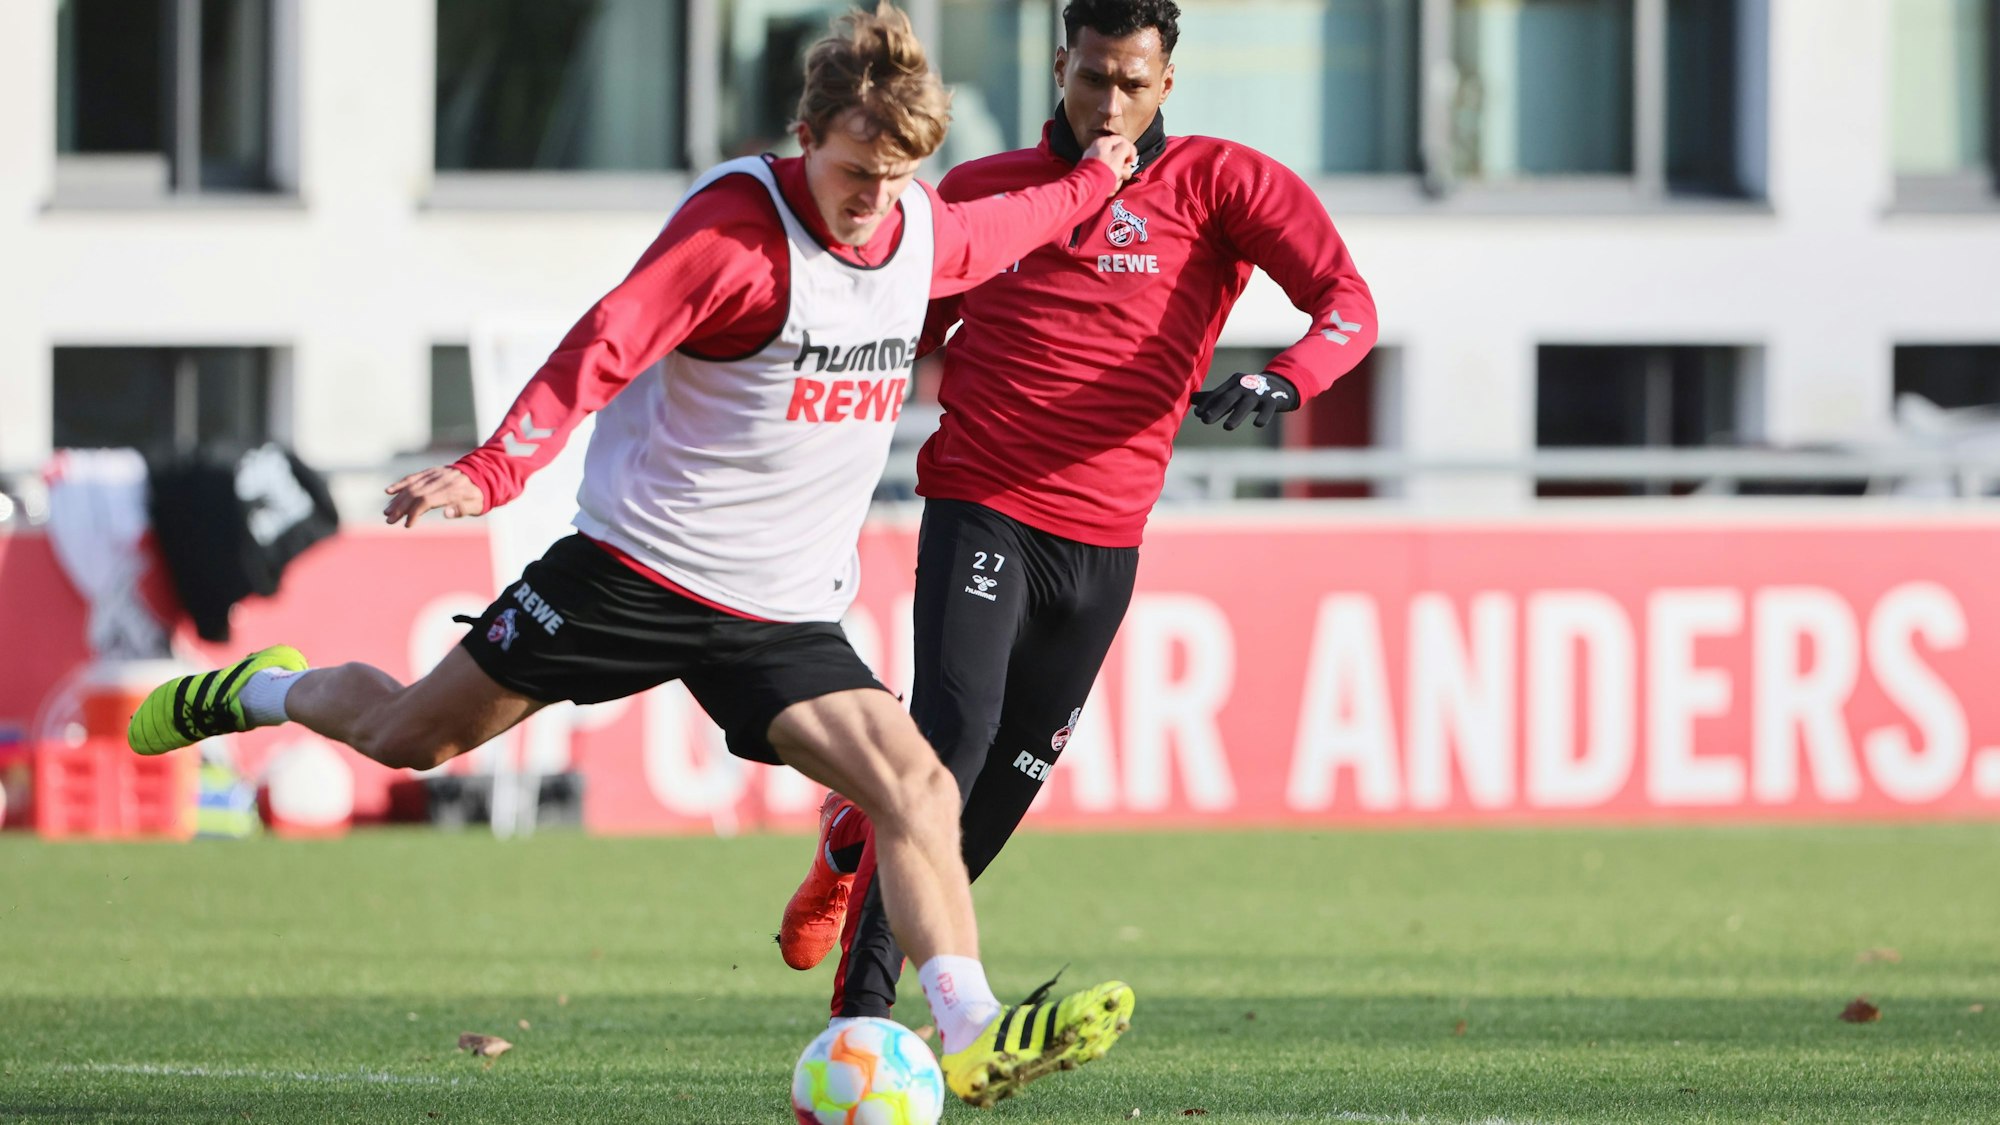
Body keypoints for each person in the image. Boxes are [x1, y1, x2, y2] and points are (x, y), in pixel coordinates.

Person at [125, 3, 1140, 1108]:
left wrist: (1098, 173)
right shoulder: (732, 239)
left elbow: (1037, 216)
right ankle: (260, 690)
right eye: (854, 171)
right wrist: (492, 470)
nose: (871, 201)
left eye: (896, 178)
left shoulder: (927, 233)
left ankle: (971, 1028)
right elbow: (597, 350)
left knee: (917, 787)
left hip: (781, 613)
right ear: (807, 138)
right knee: (407, 734)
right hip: (633, 572)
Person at [777, 0, 1379, 1026]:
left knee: (1001, 789)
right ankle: (863, 1018)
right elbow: (888, 339)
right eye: (1091, 76)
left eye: (1131, 83)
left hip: (1104, 545)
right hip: (984, 508)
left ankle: (853, 837)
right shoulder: (983, 192)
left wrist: (1285, 380)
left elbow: (1346, 304)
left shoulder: (1223, 184)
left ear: (1165, 84)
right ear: (1060, 65)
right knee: (950, 740)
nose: (1108, 102)